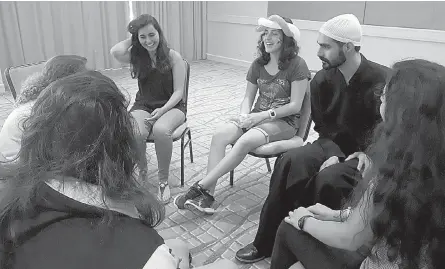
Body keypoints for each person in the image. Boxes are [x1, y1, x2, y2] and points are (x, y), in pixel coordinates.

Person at [0, 71, 238, 269]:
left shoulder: (9, 202)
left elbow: (177, 94)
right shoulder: (141, 251)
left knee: (180, 246)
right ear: (122, 147)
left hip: (166, 110)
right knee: (227, 266)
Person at [236, 14, 390, 263]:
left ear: (348, 47)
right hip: (330, 145)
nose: (318, 52)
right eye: (319, 44)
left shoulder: (383, 81)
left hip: (366, 156)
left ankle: (308, 244)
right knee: (289, 161)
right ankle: (265, 241)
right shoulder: (320, 80)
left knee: (329, 178)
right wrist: (331, 154)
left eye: (326, 46)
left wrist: (368, 154)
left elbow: (392, 131)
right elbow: (323, 128)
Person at [271, 59, 445, 269]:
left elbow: (351, 238)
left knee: (288, 228)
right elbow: (390, 214)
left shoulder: (397, 169)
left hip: (381, 261)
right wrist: (338, 214)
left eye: (385, 94)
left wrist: (303, 220)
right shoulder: (432, 162)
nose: (380, 98)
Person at [174, 15, 311, 215]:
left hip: (284, 122)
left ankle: (200, 187)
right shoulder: (258, 64)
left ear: (287, 39)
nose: (268, 38)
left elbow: (295, 106)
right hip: (256, 116)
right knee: (220, 134)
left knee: (245, 140)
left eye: (275, 33)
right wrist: (243, 115)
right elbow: (248, 97)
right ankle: (208, 196)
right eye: (266, 33)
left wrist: (262, 116)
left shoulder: (298, 65)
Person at [110, 14, 187, 204]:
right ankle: (142, 173)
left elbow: (179, 92)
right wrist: (134, 37)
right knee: (135, 132)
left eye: (152, 35)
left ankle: (163, 182)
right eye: (143, 37)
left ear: (159, 33)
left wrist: (162, 111)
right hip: (144, 104)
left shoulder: (172, 56)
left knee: (161, 130)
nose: (148, 41)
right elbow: (115, 51)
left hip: (172, 106)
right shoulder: (138, 56)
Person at [0, 55, 87, 165]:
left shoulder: (48, 97)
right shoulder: (45, 108)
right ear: (68, 81)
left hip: (22, 161)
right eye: (85, 77)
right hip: (16, 168)